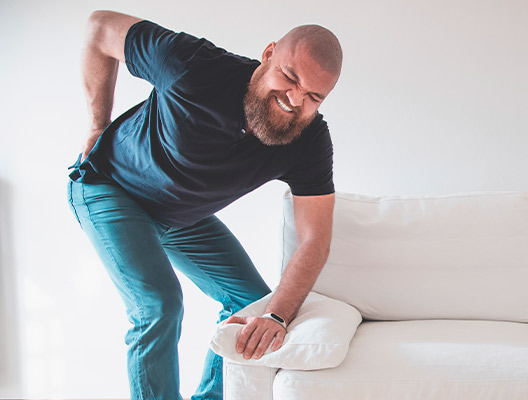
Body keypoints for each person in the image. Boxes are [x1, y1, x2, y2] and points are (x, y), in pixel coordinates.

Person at [67, 10, 342, 400]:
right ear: (268, 54)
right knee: (158, 305)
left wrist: (277, 315)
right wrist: (97, 124)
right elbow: (99, 28)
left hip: (178, 217)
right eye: (290, 77)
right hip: (110, 188)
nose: (295, 99)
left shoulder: (309, 140)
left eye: (314, 96)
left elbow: (314, 239)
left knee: (251, 302)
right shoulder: (191, 65)